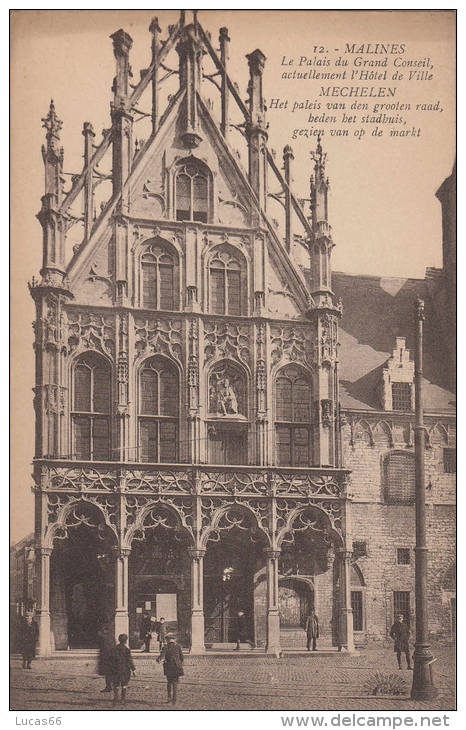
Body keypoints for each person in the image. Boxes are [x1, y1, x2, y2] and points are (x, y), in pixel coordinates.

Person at [108, 633, 136, 706]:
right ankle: (123, 699)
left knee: (116, 684)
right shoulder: (127, 650)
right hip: (125, 670)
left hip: (115, 669)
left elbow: (110, 660)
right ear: (126, 641)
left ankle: (115, 698)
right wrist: (133, 669)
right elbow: (129, 660)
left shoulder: (114, 649)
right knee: (124, 684)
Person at [157, 633, 184, 705]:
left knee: (169, 682)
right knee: (175, 683)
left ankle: (169, 697)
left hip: (169, 667)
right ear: (173, 640)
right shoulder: (178, 646)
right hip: (177, 667)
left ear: (167, 640)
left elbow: (161, 656)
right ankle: (174, 700)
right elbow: (181, 657)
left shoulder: (165, 647)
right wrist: (179, 664)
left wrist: (158, 660)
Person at [97, 623, 115, 692]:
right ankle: (111, 686)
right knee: (111, 673)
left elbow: (103, 648)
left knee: (108, 673)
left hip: (106, 658)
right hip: (112, 657)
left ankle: (108, 686)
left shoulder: (104, 638)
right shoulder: (112, 637)